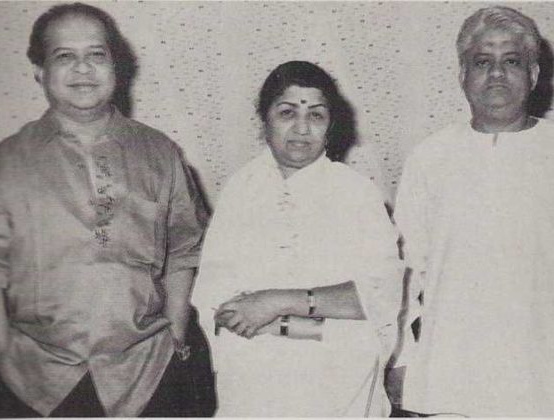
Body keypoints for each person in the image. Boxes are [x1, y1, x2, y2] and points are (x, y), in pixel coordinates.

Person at [0, 3, 215, 417]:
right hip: (37, 383)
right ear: (39, 70)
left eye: (96, 54)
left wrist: (175, 333)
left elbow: (185, 250)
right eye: (65, 55)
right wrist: (3, 358)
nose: (83, 68)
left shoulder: (160, 153)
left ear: (116, 66)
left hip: (148, 374)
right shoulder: (6, 163)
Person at [191, 61, 403, 417]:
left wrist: (275, 304)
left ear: (330, 125)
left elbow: (379, 296)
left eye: (316, 115)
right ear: (265, 120)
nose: (302, 128)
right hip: (252, 381)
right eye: (287, 112)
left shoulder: (356, 193)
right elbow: (216, 303)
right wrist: (316, 321)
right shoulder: (241, 191)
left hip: (337, 382)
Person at [394, 6, 554, 417]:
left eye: (511, 61)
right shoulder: (430, 158)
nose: (496, 74)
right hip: (450, 375)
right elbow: (405, 273)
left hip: (541, 378)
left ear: (534, 74)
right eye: (482, 62)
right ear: (462, 75)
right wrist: (402, 358)